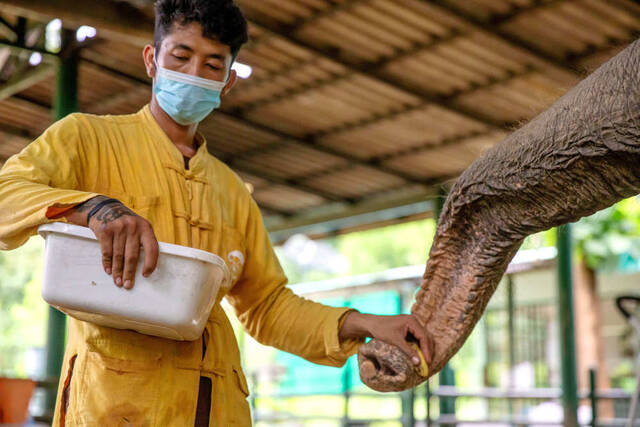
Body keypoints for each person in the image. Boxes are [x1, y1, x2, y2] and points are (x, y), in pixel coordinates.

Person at [0, 1, 433, 425]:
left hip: (217, 405)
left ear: (227, 82)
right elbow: (7, 191)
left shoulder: (231, 190)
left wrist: (365, 323)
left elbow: (267, 306)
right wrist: (93, 207)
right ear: (152, 60)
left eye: (212, 65)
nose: (194, 74)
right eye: (181, 56)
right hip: (115, 405)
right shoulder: (86, 138)